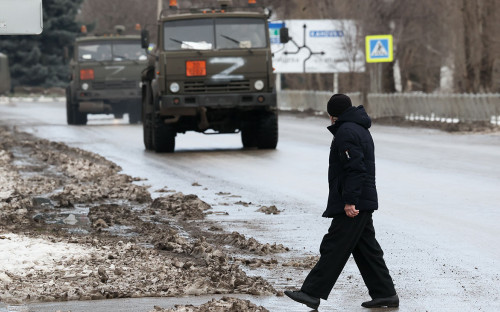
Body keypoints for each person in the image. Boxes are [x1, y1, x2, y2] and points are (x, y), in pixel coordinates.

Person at [284, 94, 399, 310]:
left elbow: (355, 169)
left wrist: (350, 201)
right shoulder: (358, 128)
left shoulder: (346, 132)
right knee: (367, 251)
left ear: (332, 115)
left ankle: (311, 293)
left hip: (355, 202)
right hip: (362, 200)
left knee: (334, 246)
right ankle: (385, 294)